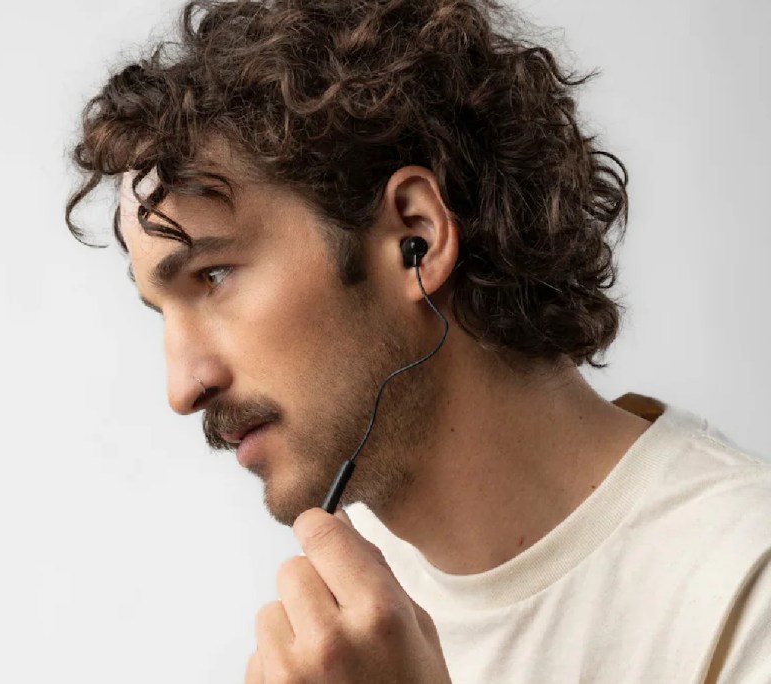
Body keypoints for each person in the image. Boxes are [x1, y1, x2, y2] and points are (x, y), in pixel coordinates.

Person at [64, 1, 771, 681]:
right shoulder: (354, 628)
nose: (183, 388)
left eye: (212, 275)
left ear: (415, 237)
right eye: (161, 311)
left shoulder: (744, 585)